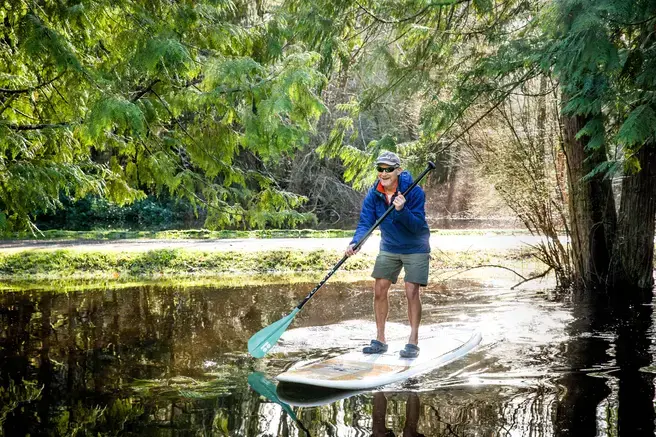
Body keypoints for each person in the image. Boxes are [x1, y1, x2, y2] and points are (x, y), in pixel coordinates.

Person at [345, 151, 430, 358]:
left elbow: (418, 227)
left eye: (388, 169)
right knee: (379, 289)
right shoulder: (374, 194)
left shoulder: (415, 192)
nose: (384, 173)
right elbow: (366, 222)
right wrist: (357, 242)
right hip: (390, 246)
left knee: (411, 292)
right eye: (380, 169)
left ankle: (413, 340)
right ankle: (380, 339)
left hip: (415, 246)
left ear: (398, 171)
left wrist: (402, 210)